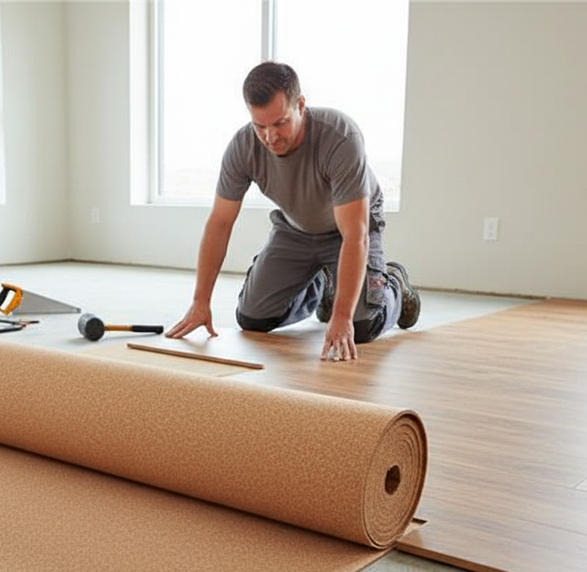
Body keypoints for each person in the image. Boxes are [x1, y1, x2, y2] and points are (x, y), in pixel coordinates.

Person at [166, 61, 420, 361]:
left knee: (360, 325)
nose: (270, 137)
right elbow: (220, 223)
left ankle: (393, 283)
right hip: (295, 228)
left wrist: (341, 317)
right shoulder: (243, 147)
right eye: (260, 126)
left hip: (348, 231)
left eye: (280, 123)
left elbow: (356, 235)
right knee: (253, 319)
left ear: (301, 105)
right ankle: (326, 284)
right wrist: (200, 301)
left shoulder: (340, 136)